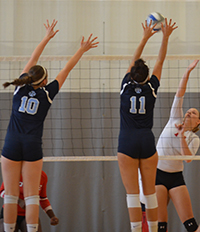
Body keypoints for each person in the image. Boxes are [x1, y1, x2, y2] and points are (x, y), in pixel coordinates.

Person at [1, 19, 98, 232]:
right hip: (32, 146)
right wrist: (81, 50)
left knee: (10, 195)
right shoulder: (48, 93)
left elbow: (33, 58)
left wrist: (46, 37)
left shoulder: (19, 88)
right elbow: (67, 69)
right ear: (44, 82)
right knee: (32, 196)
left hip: (11, 143)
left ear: (28, 77)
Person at [117, 18, 177, 232]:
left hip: (127, 142)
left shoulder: (125, 86)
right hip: (146, 141)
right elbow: (160, 61)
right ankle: (152, 230)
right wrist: (165, 37)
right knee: (150, 192)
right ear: (147, 76)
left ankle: (136, 230)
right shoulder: (152, 87)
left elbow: (135, 61)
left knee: (133, 194)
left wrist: (144, 37)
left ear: (131, 74)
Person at [156, 59, 200, 232]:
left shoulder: (193, 139)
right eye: (188, 110)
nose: (189, 112)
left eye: (194, 112)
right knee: (160, 225)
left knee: (190, 224)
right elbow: (180, 94)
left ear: (198, 121)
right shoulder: (175, 118)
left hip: (175, 177)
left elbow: (187, 159)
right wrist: (187, 72)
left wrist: (182, 135)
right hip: (157, 174)